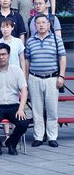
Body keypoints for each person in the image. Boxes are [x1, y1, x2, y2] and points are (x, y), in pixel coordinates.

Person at [24, 14, 66, 148]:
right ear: (35, 26)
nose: (41, 25)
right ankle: (38, 136)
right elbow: (27, 60)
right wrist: (26, 79)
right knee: (36, 110)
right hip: (34, 78)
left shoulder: (56, 39)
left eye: (43, 22)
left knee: (52, 109)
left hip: (52, 78)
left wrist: (61, 76)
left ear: (49, 25)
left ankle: (52, 137)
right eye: (38, 23)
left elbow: (62, 58)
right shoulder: (30, 41)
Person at [0, 43, 31, 155]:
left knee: (24, 123)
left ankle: (11, 143)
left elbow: (24, 90)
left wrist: (21, 109)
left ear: (8, 55)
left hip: (14, 106)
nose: (1, 57)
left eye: (4, 54)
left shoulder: (17, 71)